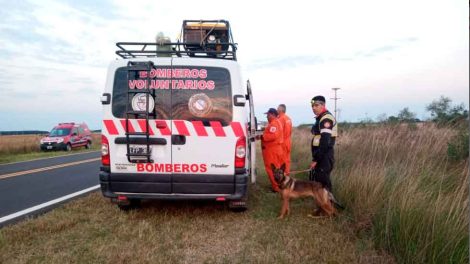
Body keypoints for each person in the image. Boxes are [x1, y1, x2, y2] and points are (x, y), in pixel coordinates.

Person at [310, 95, 337, 192]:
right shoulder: (320, 118)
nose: (313, 108)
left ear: (323, 105)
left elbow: (325, 142)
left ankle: (329, 205)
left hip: (324, 156)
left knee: (324, 184)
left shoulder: (326, 118)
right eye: (312, 106)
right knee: (319, 183)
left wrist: (316, 159)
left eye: (316, 105)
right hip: (321, 156)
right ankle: (321, 206)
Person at [260, 108, 284, 192]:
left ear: (273, 114)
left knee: (272, 169)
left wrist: (262, 136)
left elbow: (273, 135)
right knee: (276, 168)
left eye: (268, 114)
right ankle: (279, 186)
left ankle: (276, 188)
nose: (266, 116)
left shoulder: (274, 123)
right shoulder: (275, 123)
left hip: (272, 151)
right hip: (274, 150)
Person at [277, 104, 292, 174]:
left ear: (280, 110)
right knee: (287, 160)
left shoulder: (280, 119)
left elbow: (277, 132)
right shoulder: (288, 118)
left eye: (277, 108)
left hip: (282, 143)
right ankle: (287, 175)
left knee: (282, 162)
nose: (277, 110)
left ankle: (284, 178)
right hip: (288, 142)